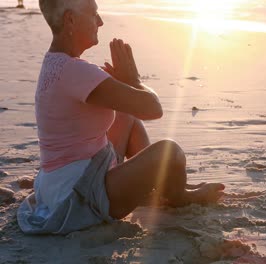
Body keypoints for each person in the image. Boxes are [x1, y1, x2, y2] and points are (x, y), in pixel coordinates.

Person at [17, 0, 225, 235]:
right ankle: (178, 197)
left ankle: (155, 188)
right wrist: (134, 81)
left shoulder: (57, 63)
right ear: (70, 20)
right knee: (170, 152)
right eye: (94, 14)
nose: (100, 21)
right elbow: (153, 109)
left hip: (62, 182)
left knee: (127, 116)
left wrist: (124, 86)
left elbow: (132, 110)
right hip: (79, 193)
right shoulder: (74, 71)